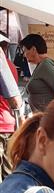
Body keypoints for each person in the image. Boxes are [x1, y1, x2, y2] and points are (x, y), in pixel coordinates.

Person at [19, 33, 54, 112]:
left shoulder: (46, 65)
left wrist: (51, 114)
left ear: (33, 49)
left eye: (25, 50)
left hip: (47, 118)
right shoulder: (42, 64)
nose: (24, 55)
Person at [0, 38, 22, 181]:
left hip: (3, 123)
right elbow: (15, 100)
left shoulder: (5, 65)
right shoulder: (10, 66)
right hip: (7, 121)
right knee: (9, 173)